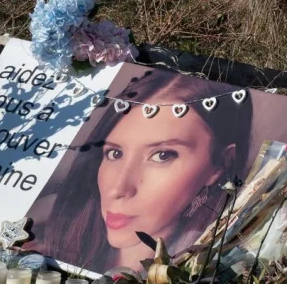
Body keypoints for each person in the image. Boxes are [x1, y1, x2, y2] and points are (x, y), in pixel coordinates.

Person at [29, 70, 251, 272]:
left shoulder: (222, 271)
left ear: (221, 164)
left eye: (162, 155)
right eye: (115, 153)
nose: (119, 188)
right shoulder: (43, 228)